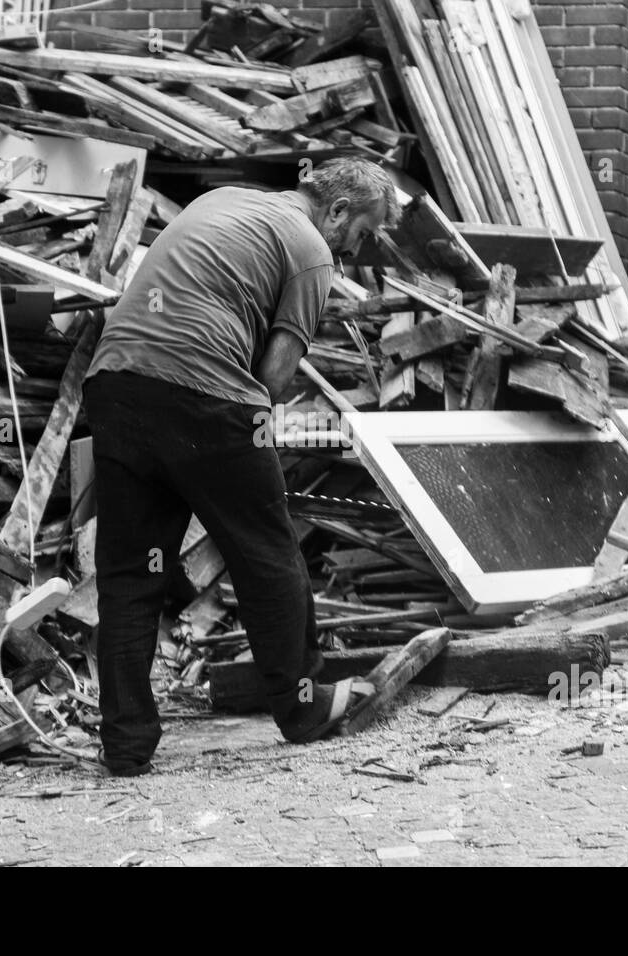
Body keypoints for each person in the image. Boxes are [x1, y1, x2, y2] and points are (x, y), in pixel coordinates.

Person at [82, 158, 399, 775]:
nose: (355, 250)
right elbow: (275, 379)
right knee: (267, 556)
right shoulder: (311, 249)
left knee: (128, 577)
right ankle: (303, 707)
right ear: (336, 211)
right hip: (205, 399)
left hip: (115, 385)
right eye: (360, 233)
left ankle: (125, 743)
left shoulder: (225, 200)